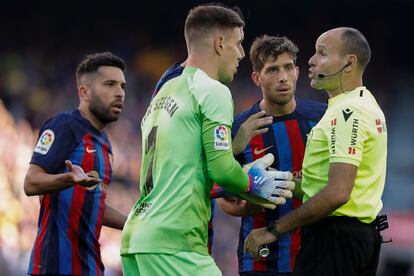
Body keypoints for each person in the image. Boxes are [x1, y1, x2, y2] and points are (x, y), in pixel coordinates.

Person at [120, 4, 294, 275]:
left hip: (138, 240)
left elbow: (185, 172)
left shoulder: (166, 90)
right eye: (238, 45)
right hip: (175, 243)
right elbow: (222, 170)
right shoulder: (213, 91)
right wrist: (252, 181)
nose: (240, 54)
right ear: (219, 43)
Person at [245, 27, 388, 276]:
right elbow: (324, 186)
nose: (311, 60)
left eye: (322, 53)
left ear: (348, 63)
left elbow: (337, 193)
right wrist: (280, 181)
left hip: (335, 241)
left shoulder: (348, 112)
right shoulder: (361, 102)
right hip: (350, 239)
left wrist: (275, 229)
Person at [218, 35, 326, 275]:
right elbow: (222, 193)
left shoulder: (323, 118)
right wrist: (243, 208)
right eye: (273, 70)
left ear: (298, 71)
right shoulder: (239, 127)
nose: (283, 77)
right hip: (260, 258)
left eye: (288, 67)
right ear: (257, 77)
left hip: (314, 253)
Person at [24, 52, 128, 276]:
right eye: (110, 84)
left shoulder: (105, 145)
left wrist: (133, 224)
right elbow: (30, 183)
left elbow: (95, 205)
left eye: (122, 86)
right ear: (84, 92)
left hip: (90, 267)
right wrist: (68, 179)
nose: (119, 93)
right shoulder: (64, 126)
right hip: (54, 266)